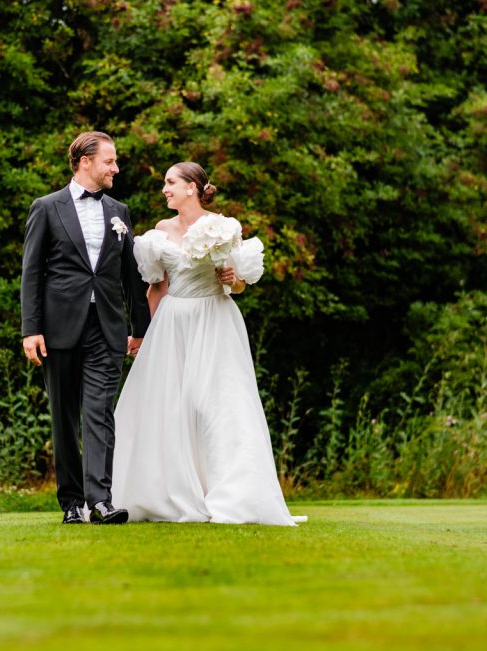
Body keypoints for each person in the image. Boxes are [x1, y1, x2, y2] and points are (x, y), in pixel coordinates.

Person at [111, 161, 306, 526]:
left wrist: (233, 277)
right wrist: (142, 334)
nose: (164, 189)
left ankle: (233, 495)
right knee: (172, 406)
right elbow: (156, 286)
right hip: (173, 323)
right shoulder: (159, 232)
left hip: (215, 320)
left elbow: (239, 282)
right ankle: (172, 492)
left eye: (171, 183)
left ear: (192, 187)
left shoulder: (223, 227)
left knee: (217, 404)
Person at [21, 131, 151, 525]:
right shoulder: (46, 208)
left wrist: (140, 328)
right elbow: (31, 272)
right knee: (64, 415)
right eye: (110, 161)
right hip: (58, 328)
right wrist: (31, 328)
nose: (116, 167)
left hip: (107, 327)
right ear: (85, 162)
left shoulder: (119, 211)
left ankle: (101, 500)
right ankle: (72, 504)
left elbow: (131, 275)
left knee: (99, 413)